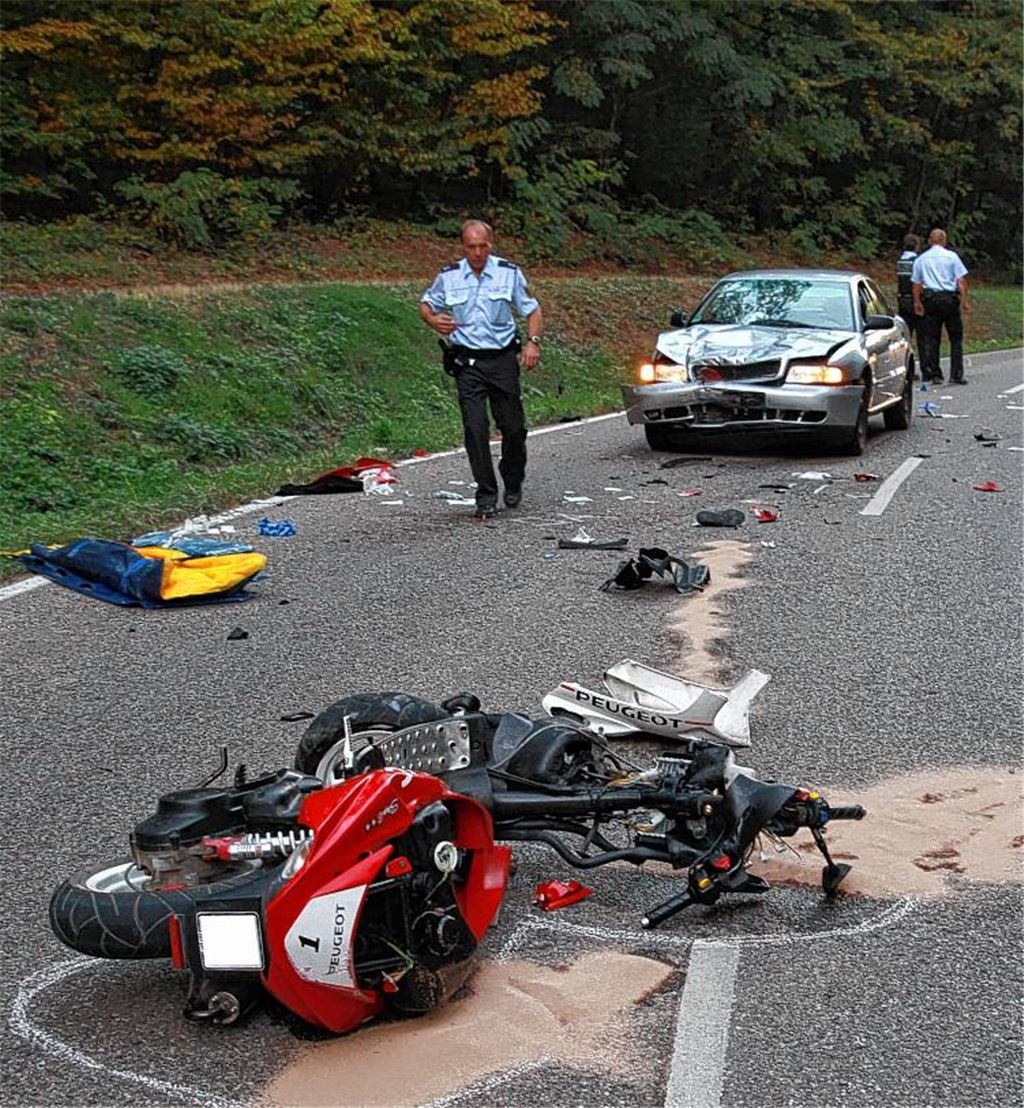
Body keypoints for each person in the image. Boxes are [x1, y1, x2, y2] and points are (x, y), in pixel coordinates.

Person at [420, 219, 543, 519]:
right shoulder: (449, 277)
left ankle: (512, 477)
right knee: (475, 430)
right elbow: (426, 303)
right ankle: (486, 494)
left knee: (513, 428)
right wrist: (433, 320)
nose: (477, 253)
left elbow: (532, 309)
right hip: (468, 364)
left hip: (502, 359)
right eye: (471, 247)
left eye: (482, 246)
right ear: (464, 247)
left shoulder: (508, 273)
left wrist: (533, 342)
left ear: (491, 244)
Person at [911, 228, 971, 386]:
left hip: (930, 298)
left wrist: (917, 302)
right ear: (944, 241)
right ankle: (956, 374)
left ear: (930, 241)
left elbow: (916, 283)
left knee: (932, 338)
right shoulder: (952, 257)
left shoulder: (921, 259)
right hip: (949, 299)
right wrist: (964, 302)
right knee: (956, 338)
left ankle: (936, 374)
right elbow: (962, 282)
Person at [895, 233, 922, 371]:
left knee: (906, 334)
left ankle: (906, 366)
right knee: (922, 334)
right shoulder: (917, 261)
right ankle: (922, 366)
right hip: (915, 300)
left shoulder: (900, 261)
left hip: (902, 299)